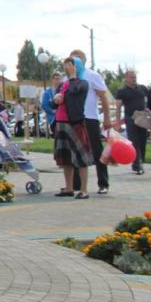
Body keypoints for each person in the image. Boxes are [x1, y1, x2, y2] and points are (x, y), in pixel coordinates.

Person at [69, 49, 111, 195]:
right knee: (74, 151)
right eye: (72, 58)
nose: (75, 60)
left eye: (78, 58)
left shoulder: (92, 76)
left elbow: (103, 98)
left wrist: (106, 118)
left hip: (90, 118)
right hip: (73, 119)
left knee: (97, 150)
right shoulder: (67, 78)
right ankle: (76, 184)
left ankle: (103, 183)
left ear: (84, 60)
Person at [52, 57, 92, 199]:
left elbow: (75, 91)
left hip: (74, 122)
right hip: (61, 122)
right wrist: (55, 100)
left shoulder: (82, 83)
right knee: (65, 157)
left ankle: (84, 189)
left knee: (80, 156)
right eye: (66, 65)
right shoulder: (63, 84)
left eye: (70, 64)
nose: (67, 67)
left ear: (77, 67)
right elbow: (54, 103)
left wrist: (73, 76)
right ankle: (69, 188)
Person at [116, 70, 148, 175]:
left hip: (142, 117)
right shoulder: (122, 91)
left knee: (143, 140)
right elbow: (118, 106)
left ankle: (140, 162)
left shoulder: (142, 88)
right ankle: (137, 165)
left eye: (135, 77)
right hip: (130, 118)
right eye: (132, 77)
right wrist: (117, 121)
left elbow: (148, 101)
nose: (134, 79)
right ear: (126, 78)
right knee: (134, 142)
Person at [41, 73, 60, 137]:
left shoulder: (63, 90)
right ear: (52, 80)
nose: (57, 81)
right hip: (53, 119)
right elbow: (44, 105)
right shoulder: (47, 93)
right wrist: (52, 111)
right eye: (56, 79)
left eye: (59, 79)